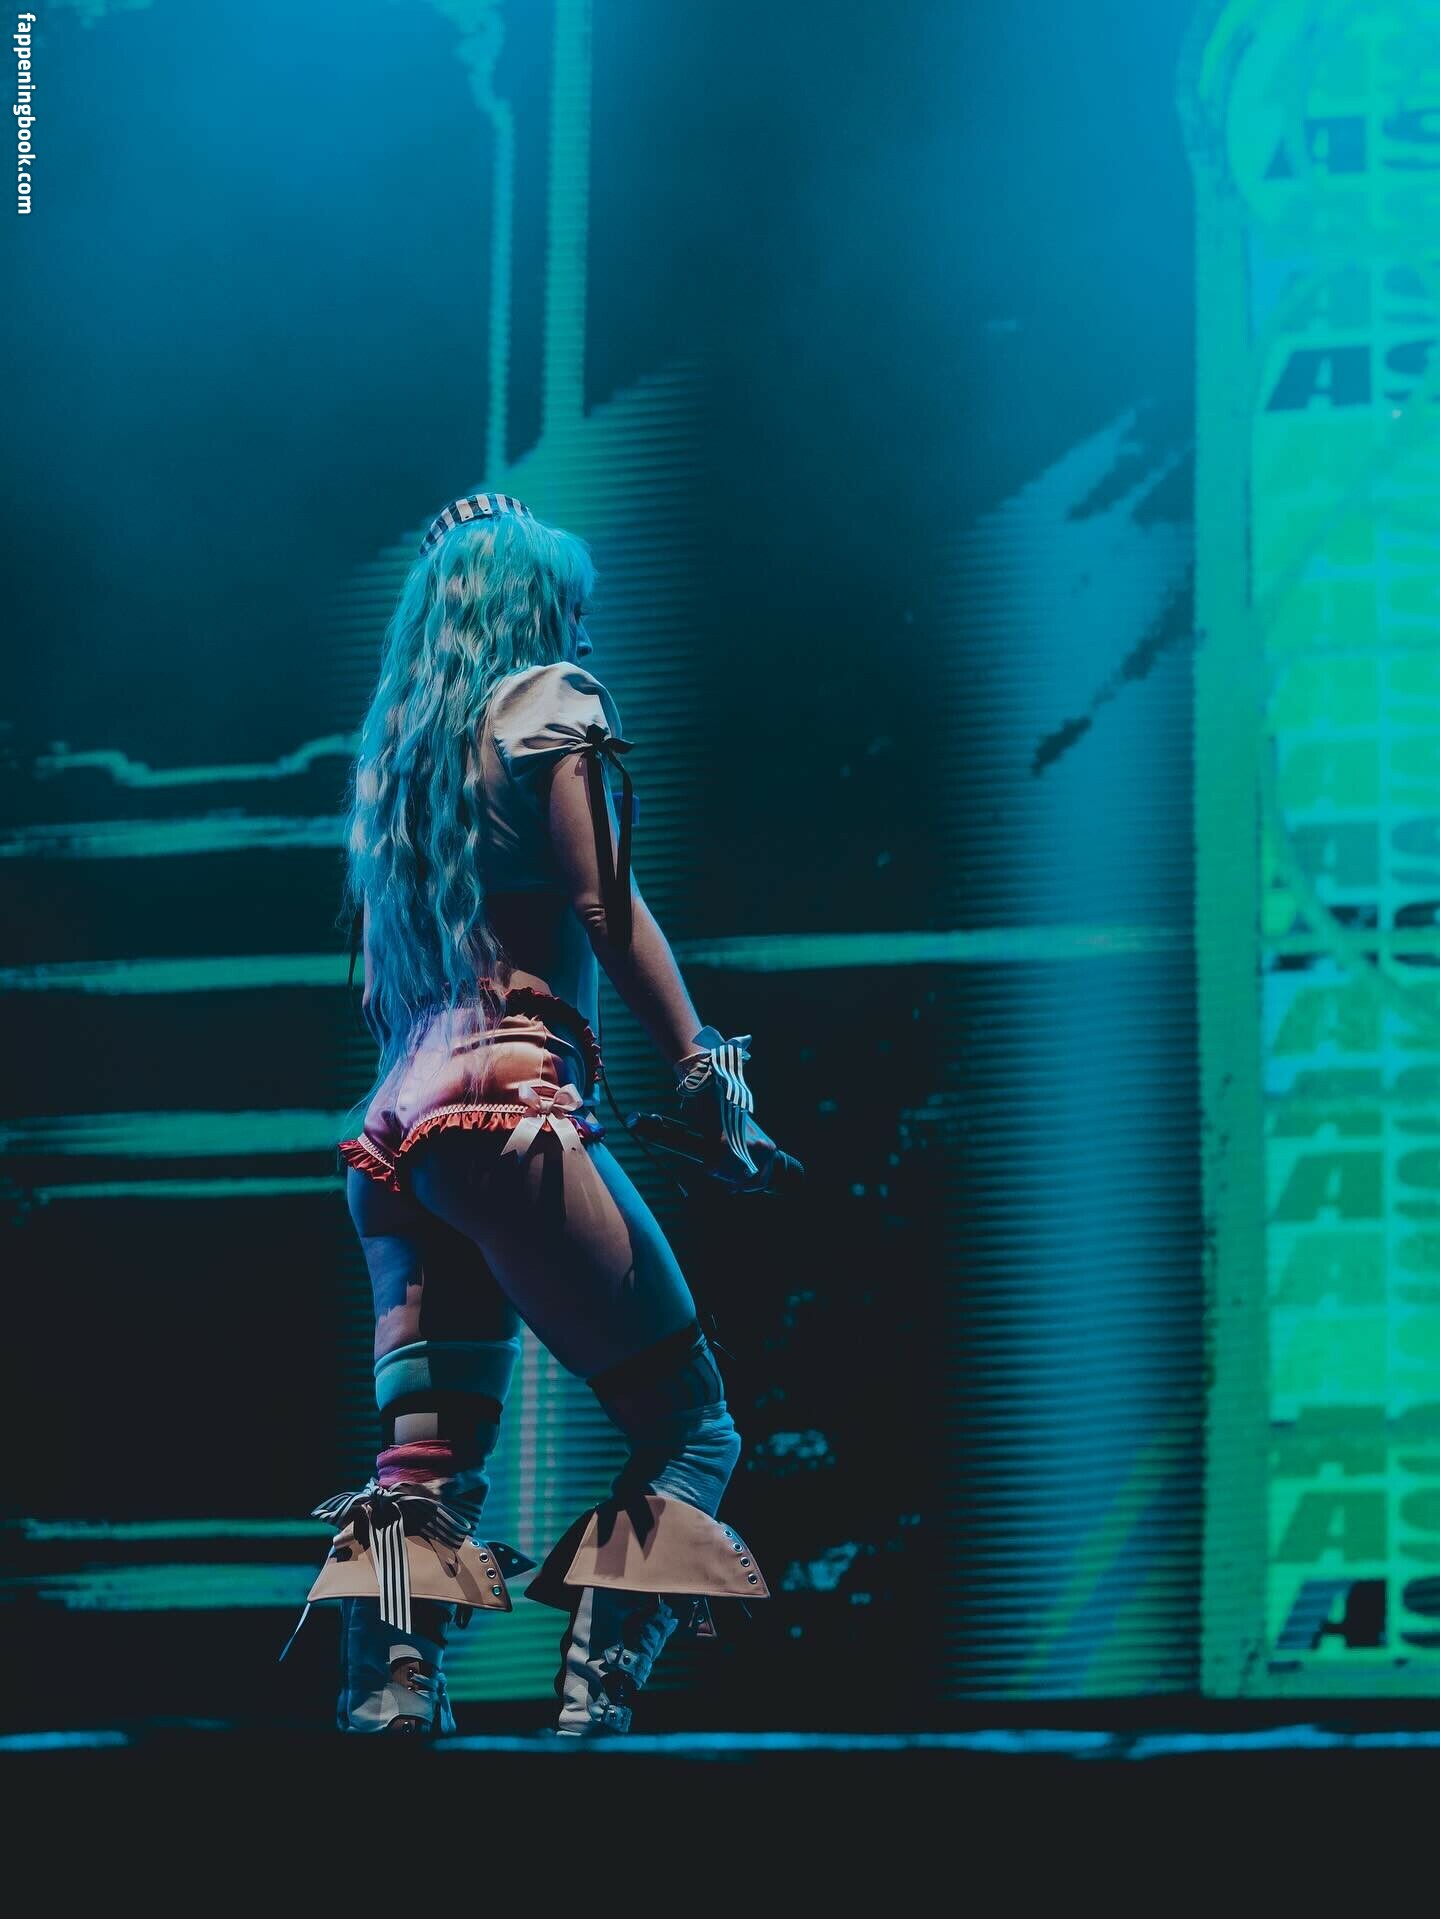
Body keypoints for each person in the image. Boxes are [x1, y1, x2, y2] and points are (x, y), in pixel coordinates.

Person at [299, 492, 781, 1736]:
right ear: (530, 608)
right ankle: (598, 1682)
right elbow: (609, 903)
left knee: (425, 1452)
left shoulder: (401, 755)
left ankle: (388, 1688)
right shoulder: (552, 702)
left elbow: (385, 985)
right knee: (694, 1424)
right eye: (571, 602)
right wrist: (708, 1076)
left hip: (394, 1139)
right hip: (505, 1115)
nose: (585, 627)